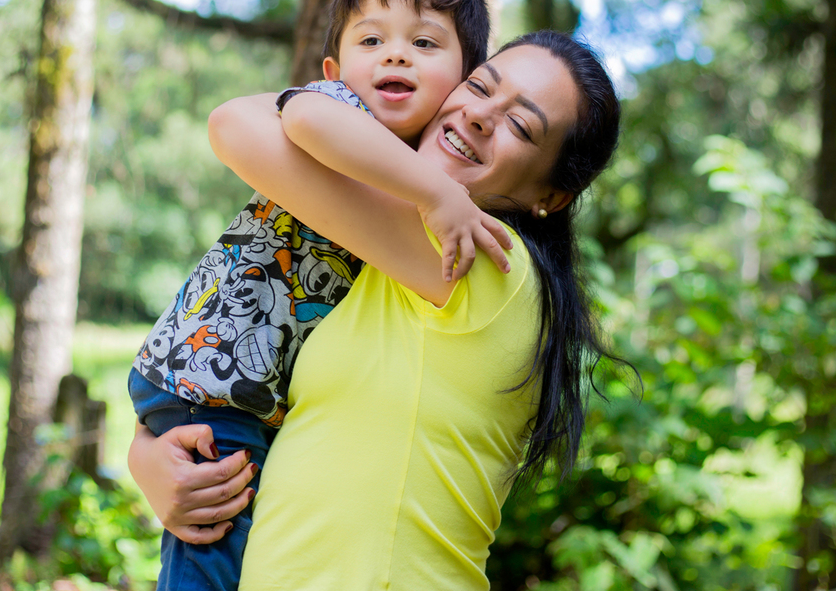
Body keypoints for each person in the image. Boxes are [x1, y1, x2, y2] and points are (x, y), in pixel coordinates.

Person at [128, 30, 623, 590]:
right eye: (479, 87)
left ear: (551, 198)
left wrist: (356, 93)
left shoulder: (485, 262)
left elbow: (236, 125)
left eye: (521, 126)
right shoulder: (378, 267)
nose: (481, 115)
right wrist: (154, 453)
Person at [127, 0, 505, 591]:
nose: (395, 55)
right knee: (211, 558)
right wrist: (440, 196)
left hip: (239, 389)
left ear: (464, 79)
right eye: (371, 40)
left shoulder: (410, 176)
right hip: (218, 381)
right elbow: (302, 115)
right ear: (335, 69)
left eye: (424, 42)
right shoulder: (340, 111)